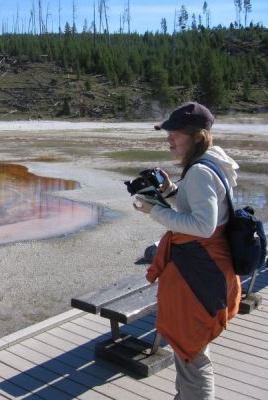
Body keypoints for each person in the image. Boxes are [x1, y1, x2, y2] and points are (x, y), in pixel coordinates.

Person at [133, 102, 241, 400]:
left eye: (175, 132)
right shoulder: (213, 163)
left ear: (196, 136)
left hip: (199, 272)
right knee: (194, 350)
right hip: (211, 267)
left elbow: (203, 226)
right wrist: (169, 193)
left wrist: (154, 211)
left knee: (192, 354)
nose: (169, 138)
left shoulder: (200, 172)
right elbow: (202, 211)